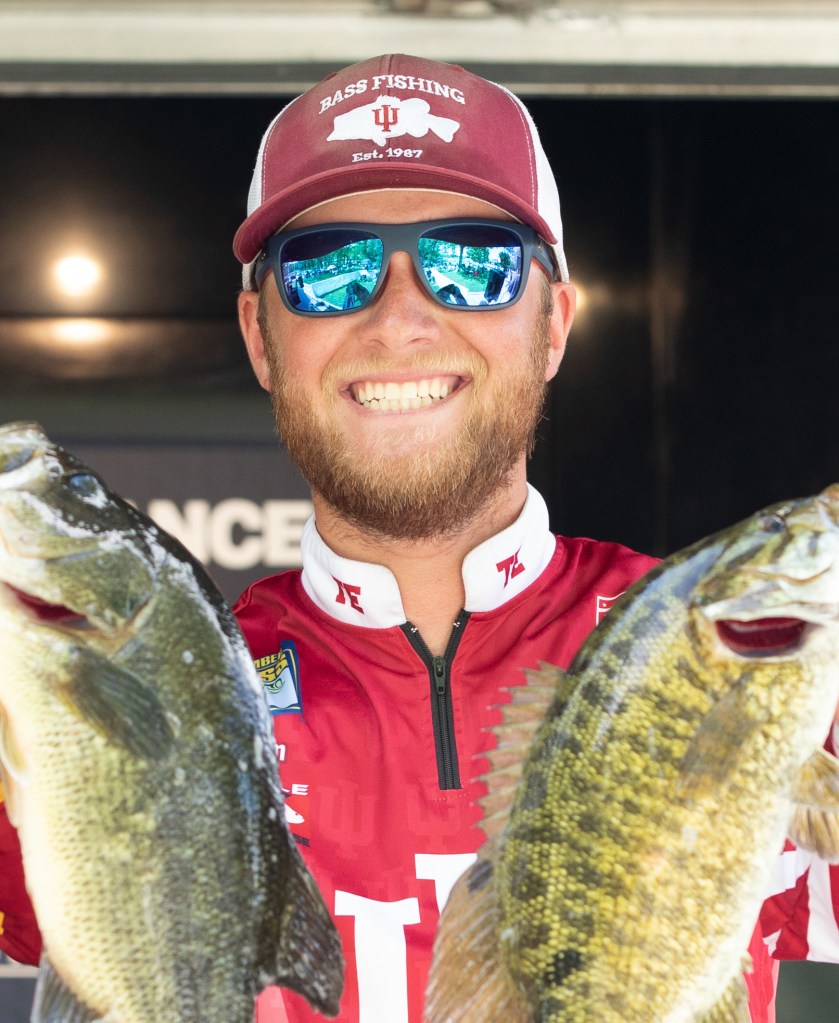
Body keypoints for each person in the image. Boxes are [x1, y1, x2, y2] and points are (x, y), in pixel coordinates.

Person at [1, 51, 838, 1023]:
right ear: (260, 334)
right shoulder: (139, 698)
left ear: (553, 324)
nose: (399, 317)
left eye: (471, 262)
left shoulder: (748, 660)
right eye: (329, 268)